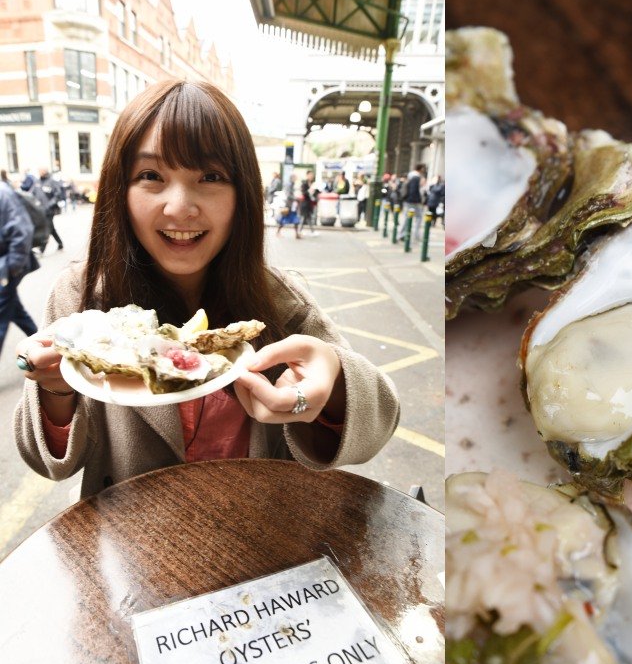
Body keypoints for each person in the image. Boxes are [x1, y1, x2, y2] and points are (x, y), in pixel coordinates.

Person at [13, 80, 400, 498]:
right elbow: (44, 460)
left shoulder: (281, 300)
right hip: (132, 542)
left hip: (261, 536)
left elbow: (378, 424)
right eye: (150, 176)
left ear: (244, 194)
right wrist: (55, 388)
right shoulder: (82, 296)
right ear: (119, 191)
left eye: (211, 176)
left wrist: (335, 384)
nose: (180, 206)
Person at [0, 169, 39, 356]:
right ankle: (42, 342)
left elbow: (22, 232)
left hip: (5, 268)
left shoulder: (3, 194)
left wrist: (9, 270)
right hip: (4, 267)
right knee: (14, 310)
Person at [25, 168, 64, 252]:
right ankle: (60, 243)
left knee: (47, 228)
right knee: (51, 228)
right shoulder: (37, 182)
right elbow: (31, 193)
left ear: (45, 172)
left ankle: (42, 248)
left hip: (49, 210)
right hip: (40, 210)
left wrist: (49, 205)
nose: (40, 172)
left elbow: (57, 195)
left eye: (42, 171)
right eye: (39, 171)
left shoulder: (51, 182)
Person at [399, 164, 426, 242]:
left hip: (409, 200)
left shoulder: (411, 176)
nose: (424, 170)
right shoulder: (416, 177)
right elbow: (413, 191)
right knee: (417, 217)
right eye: (423, 168)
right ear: (420, 169)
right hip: (413, 201)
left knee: (408, 217)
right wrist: (418, 201)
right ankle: (412, 234)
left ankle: (403, 234)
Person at [299, 169, 319, 235]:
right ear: (307, 175)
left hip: (309, 203)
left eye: (312, 175)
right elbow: (303, 192)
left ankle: (308, 231)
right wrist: (309, 191)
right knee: (304, 217)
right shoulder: (304, 183)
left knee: (307, 218)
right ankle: (300, 231)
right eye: (310, 175)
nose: (312, 176)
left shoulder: (313, 183)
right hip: (305, 203)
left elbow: (315, 192)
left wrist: (316, 191)